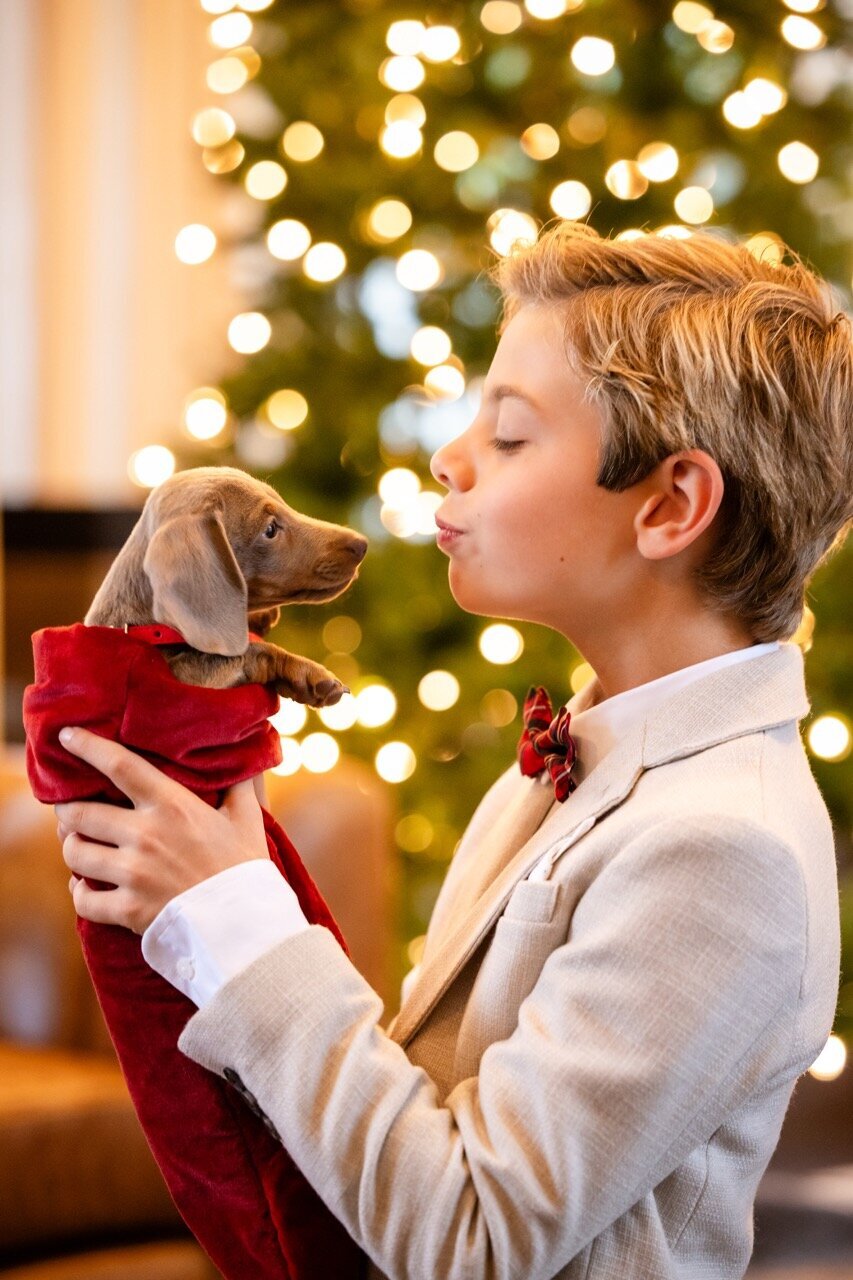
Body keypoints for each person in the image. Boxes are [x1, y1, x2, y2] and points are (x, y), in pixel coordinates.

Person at [55, 221, 851, 1280]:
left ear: (668, 505)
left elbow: (469, 1240)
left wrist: (239, 913)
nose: (450, 454)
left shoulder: (722, 847)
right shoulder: (584, 751)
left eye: (510, 435)